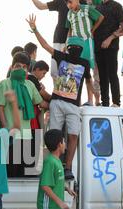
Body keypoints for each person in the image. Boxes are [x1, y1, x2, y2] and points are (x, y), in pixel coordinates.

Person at [27, 14, 92, 181]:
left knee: (73, 135)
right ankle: (53, 165)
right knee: (55, 135)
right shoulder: (61, 56)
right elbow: (45, 45)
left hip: (72, 105)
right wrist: (35, 30)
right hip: (57, 102)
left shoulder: (84, 63)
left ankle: (68, 166)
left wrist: (92, 101)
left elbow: (89, 82)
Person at [0, 52, 44, 177]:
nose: (21, 69)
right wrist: (5, 128)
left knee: (25, 172)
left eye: (24, 67)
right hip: (11, 134)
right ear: (12, 67)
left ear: (27, 69)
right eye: (18, 66)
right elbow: (0, 108)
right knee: (11, 172)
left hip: (27, 134)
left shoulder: (30, 84)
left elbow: (39, 102)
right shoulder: (4, 84)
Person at [65, 0, 104, 106]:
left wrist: (93, 30)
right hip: (76, 45)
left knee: (89, 71)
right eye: (67, 3)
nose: (69, 5)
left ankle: (93, 99)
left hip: (87, 42)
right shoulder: (69, 14)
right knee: (77, 71)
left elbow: (100, 17)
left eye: (70, 2)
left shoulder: (86, 8)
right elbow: (69, 29)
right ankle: (76, 99)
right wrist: (67, 43)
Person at [93, 0, 123, 108]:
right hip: (98, 46)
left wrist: (110, 38)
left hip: (111, 46)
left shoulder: (117, 6)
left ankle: (116, 102)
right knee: (102, 77)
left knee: (112, 75)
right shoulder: (97, 7)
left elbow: (122, 26)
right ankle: (105, 103)